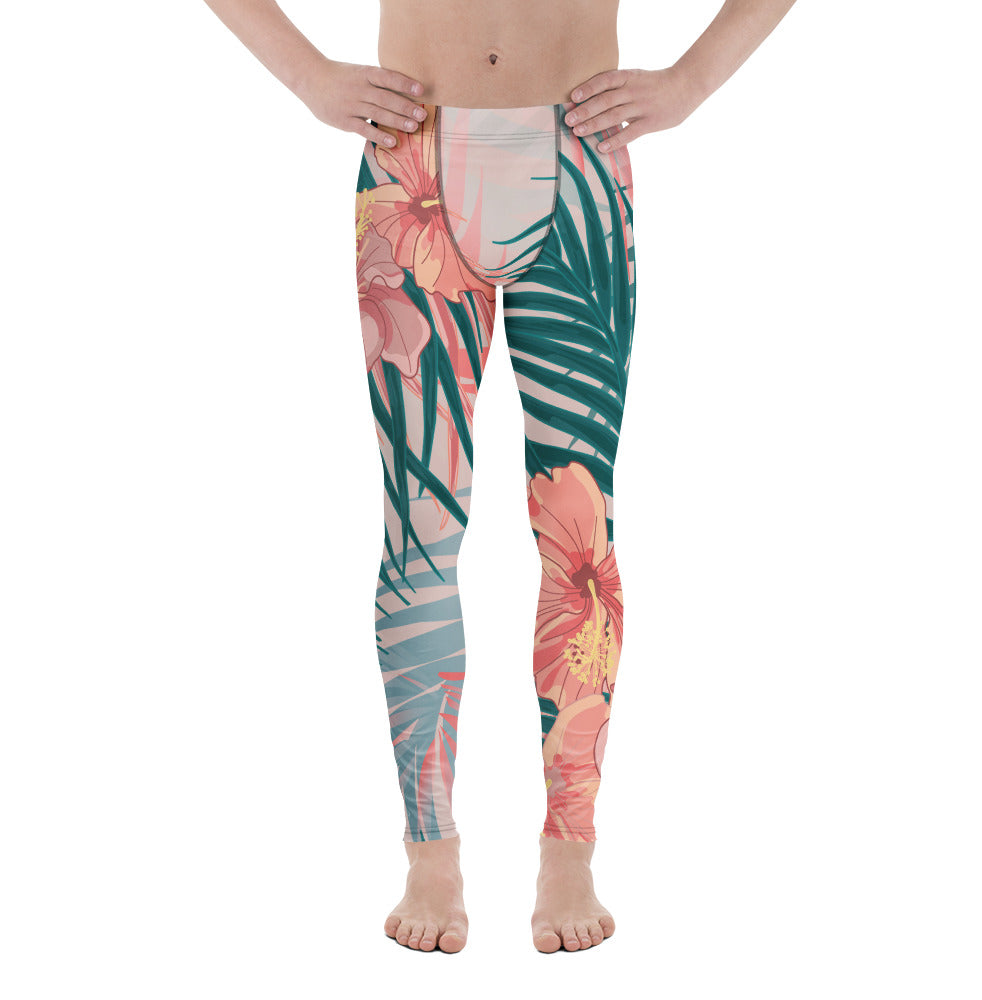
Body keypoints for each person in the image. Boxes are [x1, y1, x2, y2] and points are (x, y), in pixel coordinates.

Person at [202, 0, 798, 954]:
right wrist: (310, 75)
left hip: (582, 168)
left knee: (579, 529)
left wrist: (690, 82)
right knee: (420, 528)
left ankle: (570, 848)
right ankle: (429, 852)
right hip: (412, 164)